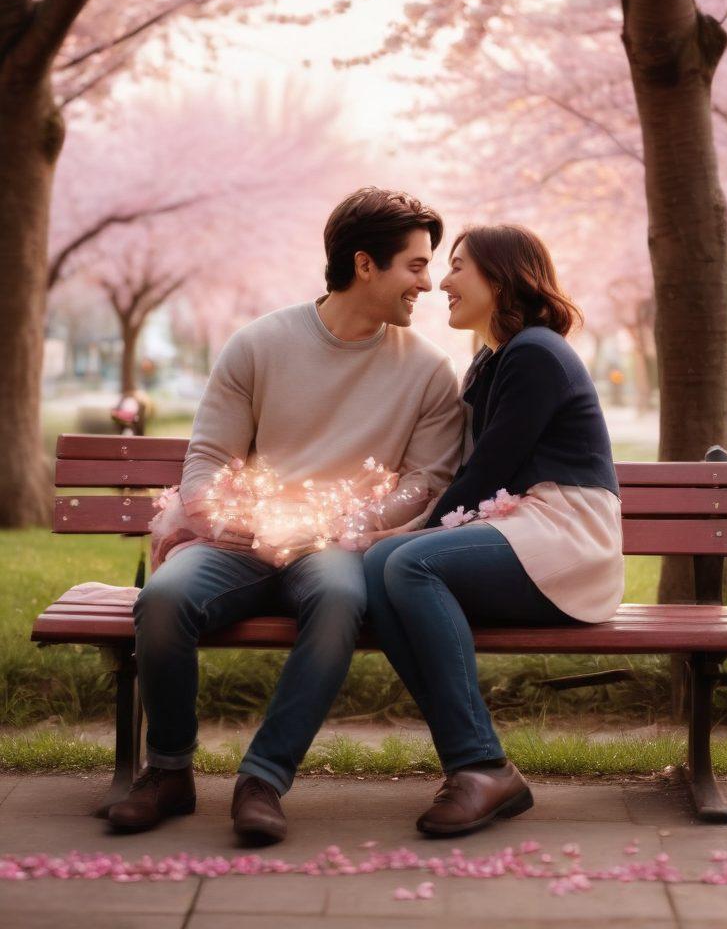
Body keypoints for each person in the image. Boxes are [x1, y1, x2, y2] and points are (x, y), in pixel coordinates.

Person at [108, 188, 463, 842]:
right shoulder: (260, 344)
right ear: (364, 265)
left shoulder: (429, 372)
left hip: (335, 548)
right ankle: (168, 772)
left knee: (337, 599)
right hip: (239, 540)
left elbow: (426, 484)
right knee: (162, 599)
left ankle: (263, 780)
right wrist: (219, 518)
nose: (429, 282)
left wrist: (328, 527)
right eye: (415, 264)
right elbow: (209, 455)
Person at [364, 225, 624, 837]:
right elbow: (474, 471)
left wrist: (416, 529)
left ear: (501, 277)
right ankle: (473, 762)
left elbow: (489, 470)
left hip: (567, 534)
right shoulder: (495, 358)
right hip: (527, 526)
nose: (442, 283)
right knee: (381, 568)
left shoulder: (536, 352)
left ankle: (480, 764)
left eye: (458, 267)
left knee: (407, 562)